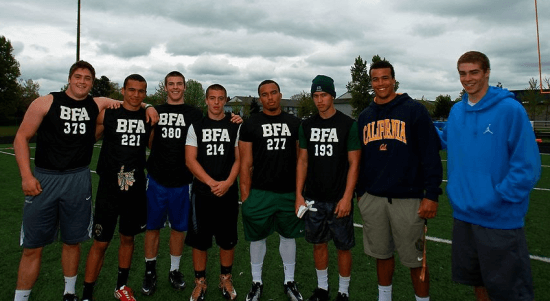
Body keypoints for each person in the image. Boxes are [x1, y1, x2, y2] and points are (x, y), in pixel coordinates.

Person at [12, 61, 157, 301]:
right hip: (51, 178)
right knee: (36, 245)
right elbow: (21, 137)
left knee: (75, 240)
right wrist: (26, 176)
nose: (82, 81)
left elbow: (135, 106)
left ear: (92, 82)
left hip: (88, 179)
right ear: (69, 78)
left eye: (87, 78)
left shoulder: (99, 105)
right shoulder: (51, 102)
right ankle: (28, 296)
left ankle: (72, 292)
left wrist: (149, 105)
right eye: (78, 76)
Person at [439, 51, 540, 301]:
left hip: (499, 218)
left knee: (509, 292)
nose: (468, 78)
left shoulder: (510, 110)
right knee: (479, 282)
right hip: (464, 215)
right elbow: (444, 140)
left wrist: (498, 198)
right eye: (462, 73)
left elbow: (527, 166)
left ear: (487, 73)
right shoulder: (456, 111)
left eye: (474, 72)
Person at [356, 61, 443, 301]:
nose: (380, 83)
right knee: (381, 256)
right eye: (375, 79)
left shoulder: (414, 110)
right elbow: (360, 159)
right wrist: (361, 193)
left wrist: (431, 194)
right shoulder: (365, 116)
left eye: (385, 78)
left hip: (408, 199)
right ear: (370, 82)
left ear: (394, 80)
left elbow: (430, 156)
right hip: (374, 198)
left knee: (416, 261)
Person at [81, 74, 153, 301]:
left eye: (141, 91)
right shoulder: (109, 113)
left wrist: (149, 107)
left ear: (145, 94)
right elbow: (87, 139)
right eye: (131, 90)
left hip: (135, 186)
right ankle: (87, 293)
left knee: (128, 238)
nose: (136, 95)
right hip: (109, 188)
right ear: (123, 90)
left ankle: (121, 287)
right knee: (100, 241)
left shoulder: (148, 117)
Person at [295, 75, 361, 301]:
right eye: (315, 95)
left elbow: (354, 164)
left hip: (338, 197)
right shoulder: (307, 125)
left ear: (332, 95)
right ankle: (322, 288)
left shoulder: (348, 125)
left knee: (343, 247)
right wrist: (298, 195)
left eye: (323, 95)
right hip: (313, 197)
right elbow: (302, 161)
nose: (320, 100)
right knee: (319, 244)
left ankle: (343, 291)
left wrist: (346, 197)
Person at [239, 80, 304, 301]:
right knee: (257, 239)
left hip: (287, 192)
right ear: (260, 98)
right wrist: (246, 198)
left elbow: (300, 161)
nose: (270, 98)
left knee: (288, 237)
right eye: (265, 94)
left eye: (274, 93)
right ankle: (256, 282)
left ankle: (289, 281)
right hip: (260, 191)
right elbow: (245, 164)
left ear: (280, 94)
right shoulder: (250, 124)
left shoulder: (295, 123)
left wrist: (299, 193)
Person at [141, 71, 202, 296]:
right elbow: (149, 141)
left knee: (179, 228)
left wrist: (234, 118)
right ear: (165, 87)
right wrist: (148, 105)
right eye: (171, 84)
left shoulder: (195, 113)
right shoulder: (155, 110)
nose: (175, 87)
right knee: (152, 227)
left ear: (185, 87)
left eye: (179, 84)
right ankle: (150, 270)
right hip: (156, 179)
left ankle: (174, 270)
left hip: (183, 180)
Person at [184, 84, 241, 301]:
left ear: (225, 100)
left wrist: (227, 182)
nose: (216, 102)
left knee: (227, 239)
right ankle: (200, 281)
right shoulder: (196, 125)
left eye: (220, 98)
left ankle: (225, 277)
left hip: (227, 191)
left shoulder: (235, 125)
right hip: (202, 192)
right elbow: (190, 159)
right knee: (200, 240)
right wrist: (210, 182)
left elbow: (240, 158)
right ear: (206, 100)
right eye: (212, 98)